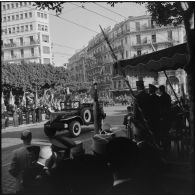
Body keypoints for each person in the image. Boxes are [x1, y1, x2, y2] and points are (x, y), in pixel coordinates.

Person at [9, 130, 40, 195]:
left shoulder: (16, 153)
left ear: (22, 139)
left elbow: (12, 170)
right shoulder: (37, 150)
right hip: (34, 183)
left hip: (21, 185)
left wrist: (19, 176)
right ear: (31, 138)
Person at [158, 85, 172, 152]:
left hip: (163, 117)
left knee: (163, 133)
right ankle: (168, 145)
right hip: (169, 116)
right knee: (167, 132)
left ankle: (165, 147)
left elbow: (160, 108)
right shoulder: (168, 96)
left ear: (161, 90)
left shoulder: (161, 97)